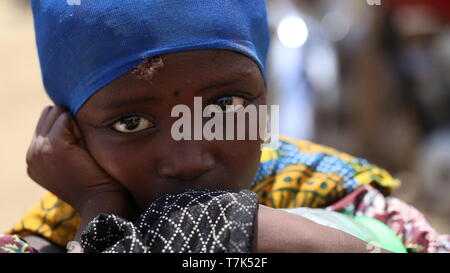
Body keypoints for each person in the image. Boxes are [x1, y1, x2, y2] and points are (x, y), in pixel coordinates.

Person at [2, 0, 449, 253]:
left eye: (226, 104)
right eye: (131, 122)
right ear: (69, 133)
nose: (190, 157)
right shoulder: (46, 238)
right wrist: (101, 213)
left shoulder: (336, 196)